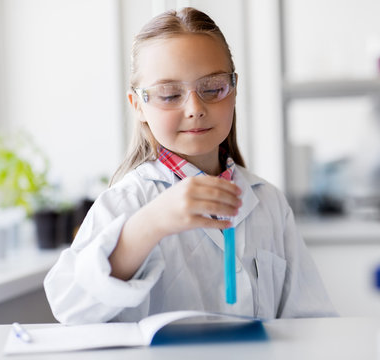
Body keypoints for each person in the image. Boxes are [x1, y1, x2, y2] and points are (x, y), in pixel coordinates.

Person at [44, 7, 336, 324]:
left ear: (234, 90)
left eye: (212, 88)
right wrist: (151, 223)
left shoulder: (269, 203)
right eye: (169, 94)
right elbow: (69, 305)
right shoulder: (127, 203)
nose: (195, 108)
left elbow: (312, 321)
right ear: (138, 105)